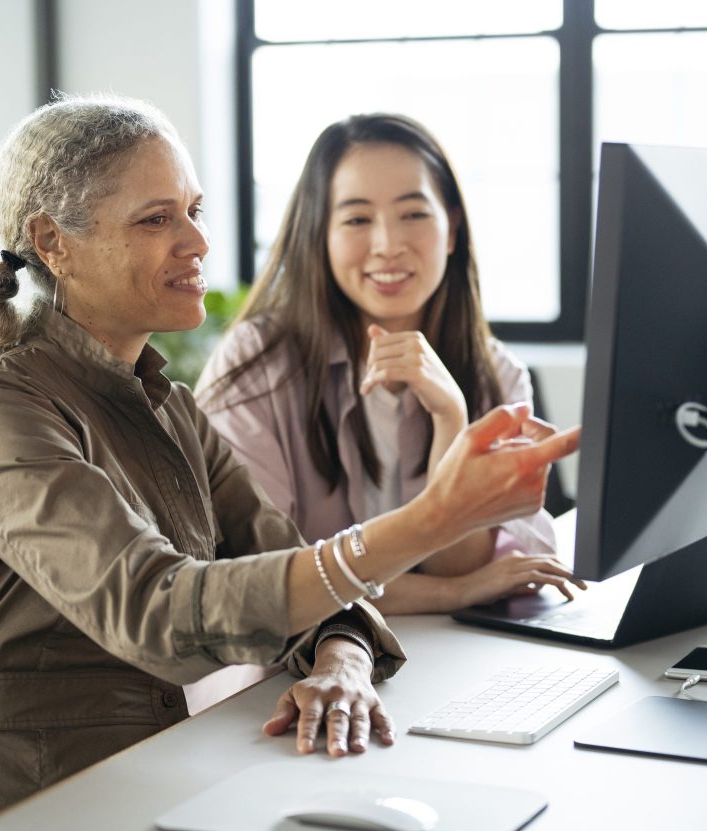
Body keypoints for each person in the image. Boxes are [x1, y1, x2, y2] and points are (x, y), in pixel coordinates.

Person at [0, 95, 578, 831]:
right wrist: (431, 521)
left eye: (194, 210)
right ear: (52, 242)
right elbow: (159, 614)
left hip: (153, 782)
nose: (197, 240)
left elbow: (293, 573)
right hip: (9, 828)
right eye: (156, 219)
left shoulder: (173, 411)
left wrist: (342, 661)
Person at [198, 113, 581, 614]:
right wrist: (452, 595)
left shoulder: (494, 370)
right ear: (321, 236)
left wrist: (452, 419)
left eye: (414, 214)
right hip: (304, 663)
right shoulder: (257, 364)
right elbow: (267, 580)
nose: (388, 244)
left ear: (451, 229)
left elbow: (461, 562)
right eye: (357, 219)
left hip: (450, 653)